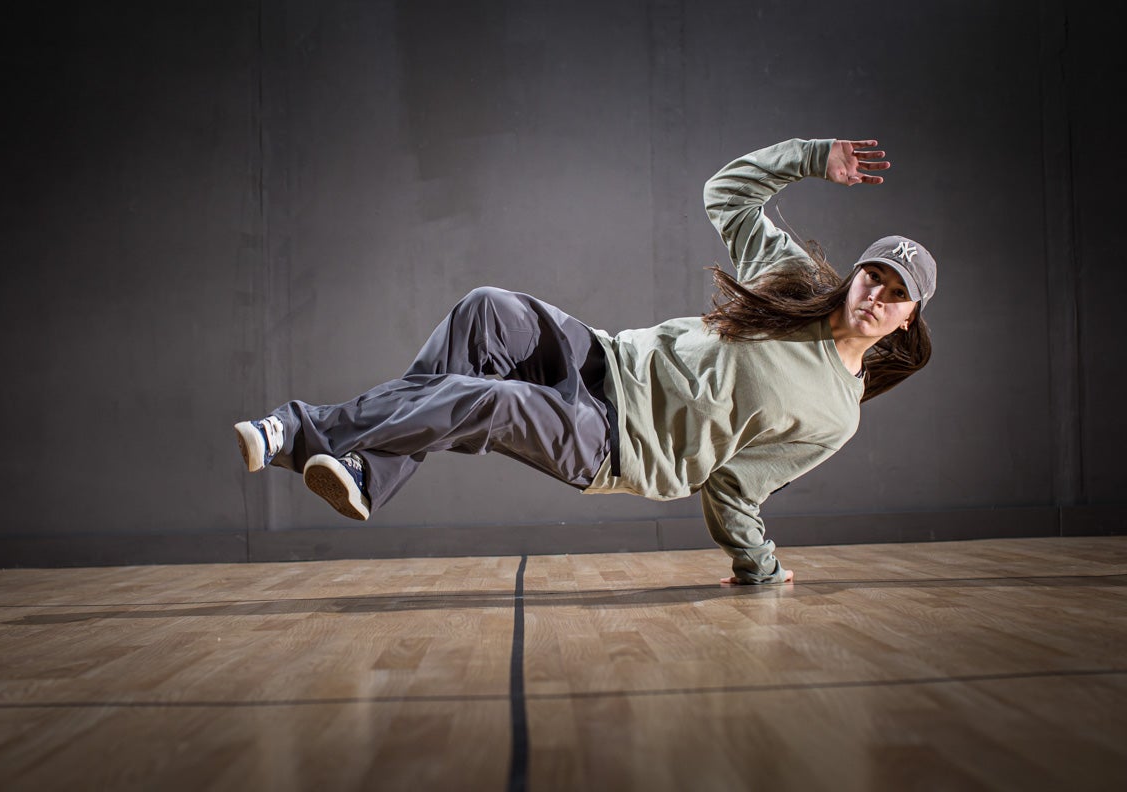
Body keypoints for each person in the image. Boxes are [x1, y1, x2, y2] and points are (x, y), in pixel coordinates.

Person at [234, 137, 936, 585]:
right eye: (874, 275)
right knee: (486, 308)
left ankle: (299, 433)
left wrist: (759, 568)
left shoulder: (836, 415)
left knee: (493, 402)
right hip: (606, 358)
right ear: (856, 275)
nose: (877, 294)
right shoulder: (794, 278)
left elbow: (736, 489)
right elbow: (726, 193)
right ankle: (366, 469)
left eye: (896, 294)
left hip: (622, 445)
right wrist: (815, 159)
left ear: (907, 320)